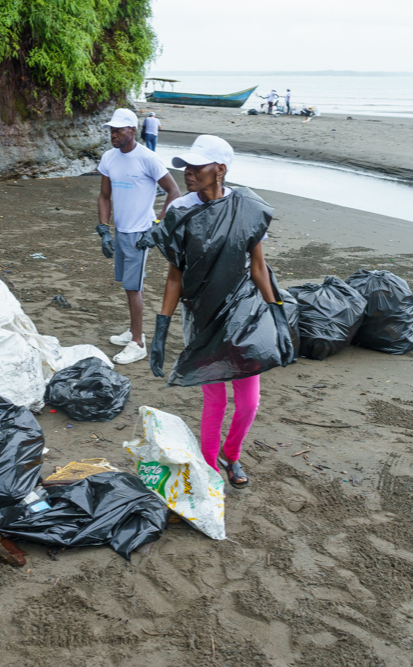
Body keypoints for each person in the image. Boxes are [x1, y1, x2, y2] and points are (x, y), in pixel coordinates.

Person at [146, 135, 295, 488]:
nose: (189, 173)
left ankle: (232, 454)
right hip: (201, 313)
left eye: (199, 167)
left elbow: (258, 267)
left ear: (221, 170)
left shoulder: (248, 207)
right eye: (187, 167)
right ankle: (210, 467)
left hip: (244, 312)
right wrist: (161, 330)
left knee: (249, 402)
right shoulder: (180, 210)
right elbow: (174, 277)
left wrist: (277, 314)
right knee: (214, 398)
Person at [96, 108, 180, 364]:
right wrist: (103, 229)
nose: (114, 134)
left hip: (139, 233)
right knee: (127, 284)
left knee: (134, 288)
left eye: (119, 130)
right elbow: (104, 196)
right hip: (121, 231)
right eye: (111, 130)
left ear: (132, 130)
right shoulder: (109, 158)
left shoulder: (147, 158)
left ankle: (138, 342)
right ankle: (133, 331)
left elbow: (174, 191)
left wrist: (156, 227)